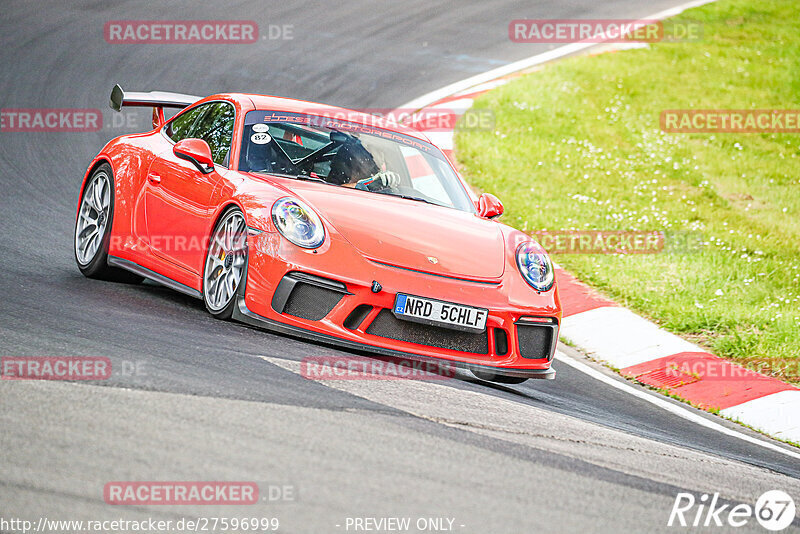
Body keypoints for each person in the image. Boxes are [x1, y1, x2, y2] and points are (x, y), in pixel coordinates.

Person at [326, 136, 401, 191]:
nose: (382, 157)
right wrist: (368, 184)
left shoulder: (385, 184)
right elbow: (333, 190)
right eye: (378, 151)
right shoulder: (355, 154)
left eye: (383, 152)